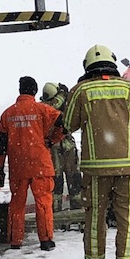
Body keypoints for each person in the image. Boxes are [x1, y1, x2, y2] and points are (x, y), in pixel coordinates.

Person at [64, 44, 130, 259]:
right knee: (128, 221)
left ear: (87, 66)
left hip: (95, 171)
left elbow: (68, 124)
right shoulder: (129, 89)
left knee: (95, 220)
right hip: (129, 168)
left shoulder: (81, 91)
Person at [0, 76, 63, 251]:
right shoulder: (43, 110)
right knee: (43, 203)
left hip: (18, 166)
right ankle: (46, 240)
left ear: (20, 91)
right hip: (40, 164)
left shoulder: (8, 114)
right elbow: (63, 123)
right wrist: (52, 140)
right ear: (35, 91)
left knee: (17, 204)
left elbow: (1, 145)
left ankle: (15, 240)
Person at [40, 82, 82, 212]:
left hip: (61, 146)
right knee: (62, 179)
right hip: (58, 145)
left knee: (70, 178)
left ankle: (63, 208)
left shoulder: (46, 106)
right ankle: (64, 209)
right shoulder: (49, 106)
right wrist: (63, 95)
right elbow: (56, 107)